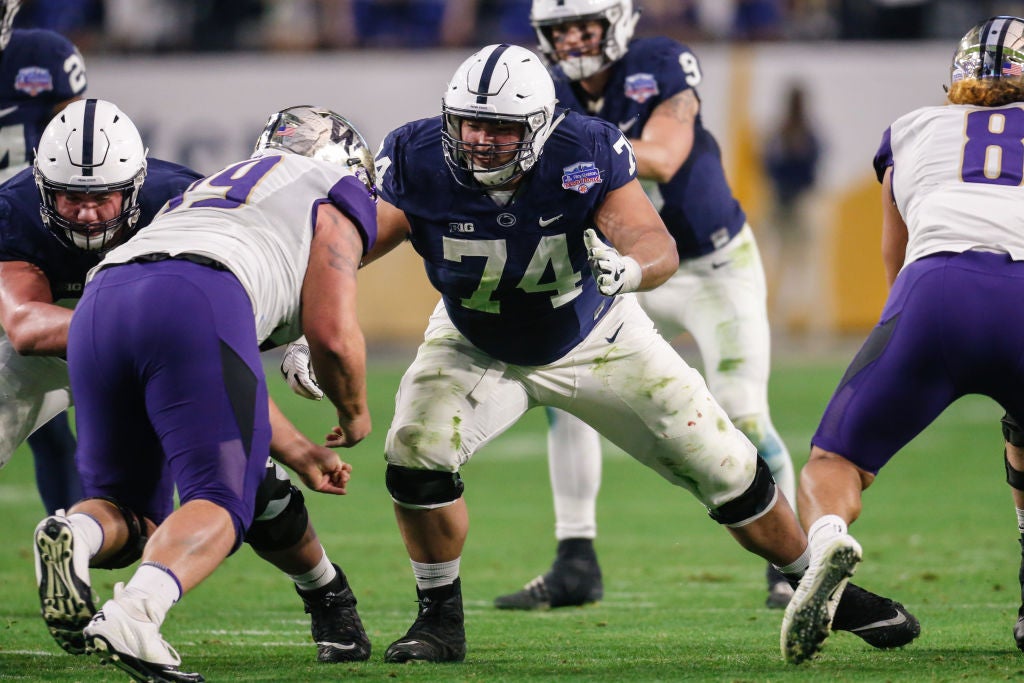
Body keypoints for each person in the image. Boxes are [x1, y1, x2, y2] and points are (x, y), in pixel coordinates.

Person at [299, 42, 917, 664]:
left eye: (501, 128)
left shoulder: (583, 149)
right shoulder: (416, 154)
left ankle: (824, 589)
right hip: (474, 339)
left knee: (728, 467)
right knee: (414, 451)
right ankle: (439, 622)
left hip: (596, 334)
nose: (481, 141)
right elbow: (349, 248)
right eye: (470, 123)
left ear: (539, 128)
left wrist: (630, 267)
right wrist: (304, 328)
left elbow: (655, 241)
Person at [27, 100, 377, 680]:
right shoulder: (337, 189)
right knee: (222, 496)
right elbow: (333, 336)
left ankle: (76, 533)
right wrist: (355, 412)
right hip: (196, 295)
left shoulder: (208, 187)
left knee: (132, 512)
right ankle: (137, 614)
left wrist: (292, 446)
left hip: (101, 301)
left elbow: (223, 366)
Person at [491, 0, 797, 611]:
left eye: (585, 26)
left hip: (709, 265)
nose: (574, 40)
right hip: (618, 269)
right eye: (560, 30)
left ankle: (788, 566)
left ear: (618, 23)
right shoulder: (544, 89)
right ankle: (575, 560)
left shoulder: (657, 63)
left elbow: (662, 154)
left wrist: (566, 148)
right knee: (567, 396)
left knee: (741, 408)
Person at [781, 15, 1024, 664]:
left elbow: (897, 257)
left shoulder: (915, 127)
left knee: (832, 462)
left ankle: (830, 535)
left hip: (936, 289)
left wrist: (910, 339)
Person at [0, 0, 88, 514]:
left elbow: (78, 151)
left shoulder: (44, 57)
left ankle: (71, 543)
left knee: (49, 425)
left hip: (25, 249)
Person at [762, 82, 822, 336]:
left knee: (807, 265)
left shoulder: (807, 135)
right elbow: (766, 164)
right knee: (781, 264)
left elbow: (813, 167)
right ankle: (780, 324)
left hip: (802, 201)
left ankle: (814, 326)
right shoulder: (780, 134)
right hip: (782, 200)